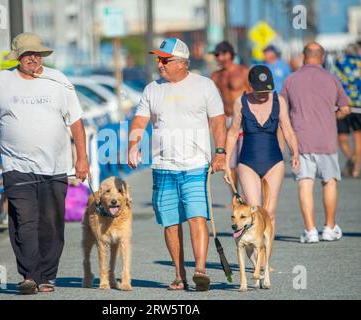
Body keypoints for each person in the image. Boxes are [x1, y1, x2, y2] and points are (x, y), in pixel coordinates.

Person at [0, 33, 90, 294]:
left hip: (54, 166)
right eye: (27, 54)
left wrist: (82, 158)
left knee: (51, 222)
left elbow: (75, 122)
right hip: (15, 166)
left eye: (37, 53)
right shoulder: (1, 81)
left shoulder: (58, 80)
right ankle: (30, 275)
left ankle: (46, 274)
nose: (33, 58)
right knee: (24, 219)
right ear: (17, 57)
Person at [128, 38, 226, 291]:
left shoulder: (204, 86)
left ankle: (201, 270)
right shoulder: (152, 89)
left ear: (181, 63)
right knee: (170, 223)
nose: (159, 64)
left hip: (195, 164)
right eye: (157, 59)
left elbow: (217, 121)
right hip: (162, 166)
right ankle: (179, 274)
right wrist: (133, 145)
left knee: (196, 218)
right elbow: (139, 121)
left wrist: (220, 152)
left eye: (164, 59)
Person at [280, 42, 351, 243]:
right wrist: (332, 114)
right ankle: (329, 227)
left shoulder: (291, 80)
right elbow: (345, 108)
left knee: (305, 184)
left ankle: (310, 230)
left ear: (304, 56)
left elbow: (282, 108)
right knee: (329, 182)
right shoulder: (332, 79)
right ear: (322, 57)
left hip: (300, 140)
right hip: (326, 139)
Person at [224, 65, 299, 239]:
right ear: (250, 85)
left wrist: (295, 152)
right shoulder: (240, 102)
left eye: (266, 90)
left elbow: (287, 129)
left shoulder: (278, 101)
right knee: (254, 211)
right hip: (248, 163)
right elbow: (233, 133)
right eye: (259, 90)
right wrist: (227, 163)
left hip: (274, 162)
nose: (263, 94)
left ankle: (265, 261)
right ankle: (256, 258)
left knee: (270, 212)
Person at [210, 41, 250, 191]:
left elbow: (253, 94)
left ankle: (248, 195)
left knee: (244, 163)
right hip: (226, 120)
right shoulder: (216, 76)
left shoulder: (243, 71)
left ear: (228, 54)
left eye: (218, 54)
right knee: (229, 162)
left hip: (244, 120)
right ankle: (235, 196)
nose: (216, 58)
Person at [334, 44, 361, 178]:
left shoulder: (340, 61)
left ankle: (355, 169)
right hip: (344, 104)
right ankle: (352, 159)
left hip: (358, 105)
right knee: (342, 138)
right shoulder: (340, 62)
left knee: (357, 138)